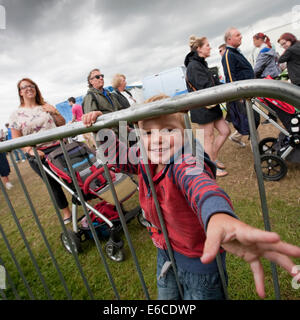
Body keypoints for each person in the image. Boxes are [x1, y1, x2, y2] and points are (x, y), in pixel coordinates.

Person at [82, 93, 300, 300]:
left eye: (169, 129)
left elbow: (200, 185)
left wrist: (217, 214)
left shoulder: (187, 157)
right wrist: (102, 128)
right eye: (148, 133)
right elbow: (118, 158)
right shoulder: (144, 155)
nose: (157, 139)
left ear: (185, 131)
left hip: (199, 262)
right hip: (164, 251)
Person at [9, 78, 72, 224]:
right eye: (24, 87)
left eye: (31, 86)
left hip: (59, 148)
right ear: (20, 92)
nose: (28, 88)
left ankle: (82, 205)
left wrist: (55, 111)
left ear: (35, 88)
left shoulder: (45, 106)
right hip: (39, 154)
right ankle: (66, 212)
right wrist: (30, 150)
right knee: (53, 184)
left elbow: (61, 123)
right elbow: (16, 139)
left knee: (72, 178)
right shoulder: (16, 114)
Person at [184, 36, 230, 177]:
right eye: (207, 45)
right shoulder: (194, 66)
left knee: (225, 131)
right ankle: (210, 167)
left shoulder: (201, 63)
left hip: (211, 105)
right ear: (199, 49)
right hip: (203, 108)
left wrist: (228, 87)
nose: (210, 47)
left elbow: (213, 83)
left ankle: (212, 159)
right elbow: (206, 87)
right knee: (208, 138)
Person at [222, 27, 260, 147]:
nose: (241, 36)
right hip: (242, 96)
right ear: (229, 39)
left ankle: (258, 147)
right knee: (251, 121)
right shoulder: (228, 54)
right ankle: (258, 149)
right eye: (237, 35)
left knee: (254, 120)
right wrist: (238, 96)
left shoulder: (236, 52)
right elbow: (230, 77)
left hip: (248, 93)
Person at [253, 32, 281, 125]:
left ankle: (273, 116)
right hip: (274, 75)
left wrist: (252, 76)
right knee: (275, 98)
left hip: (268, 77)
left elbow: (258, 68)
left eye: (254, 40)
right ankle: (275, 115)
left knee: (269, 99)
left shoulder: (264, 51)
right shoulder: (270, 49)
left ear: (259, 40)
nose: (253, 43)